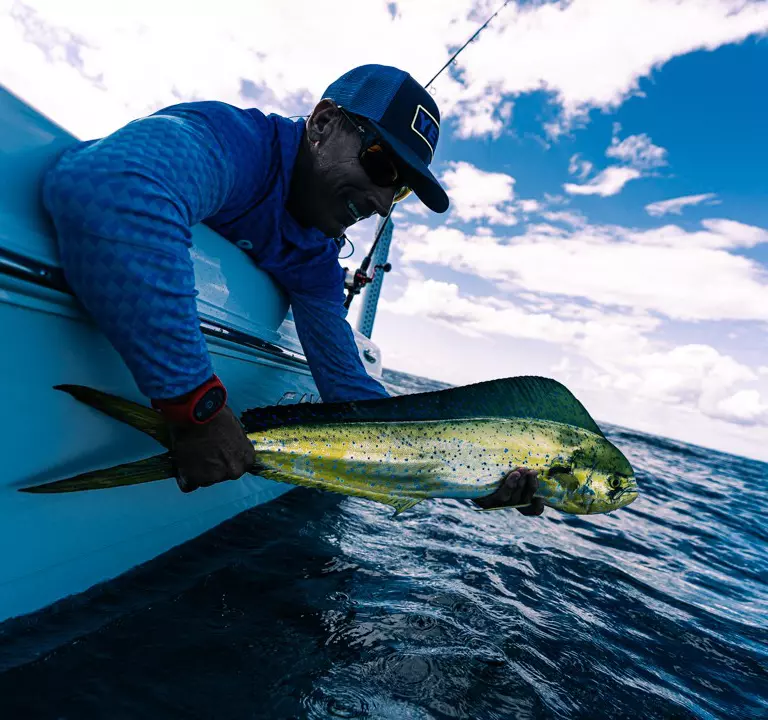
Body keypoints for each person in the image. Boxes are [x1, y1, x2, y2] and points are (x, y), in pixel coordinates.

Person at [42, 63, 543, 515]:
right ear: (323, 124)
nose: (383, 203)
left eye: (401, 189)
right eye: (382, 166)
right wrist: (197, 409)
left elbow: (349, 389)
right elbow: (108, 187)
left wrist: (473, 477)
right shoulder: (237, 142)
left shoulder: (314, 257)